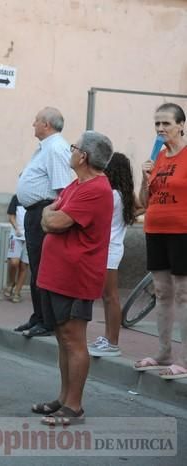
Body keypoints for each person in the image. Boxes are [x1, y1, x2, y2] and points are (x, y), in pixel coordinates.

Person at [33, 131, 114, 426]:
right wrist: (49, 214)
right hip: (58, 275)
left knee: (74, 339)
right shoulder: (75, 184)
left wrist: (49, 215)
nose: (71, 150)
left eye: (75, 147)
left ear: (84, 157)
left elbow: (55, 220)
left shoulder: (96, 189)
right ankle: (64, 398)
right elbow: (50, 216)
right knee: (62, 338)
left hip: (76, 277)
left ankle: (74, 407)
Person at [134, 103, 187, 379]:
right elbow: (143, 202)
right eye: (157, 124)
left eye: (166, 123)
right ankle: (164, 352)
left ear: (181, 125)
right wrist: (145, 179)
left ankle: (184, 358)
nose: (160, 129)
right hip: (155, 229)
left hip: (182, 231)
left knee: (183, 293)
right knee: (162, 292)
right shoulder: (157, 158)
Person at [15, 107, 74, 338]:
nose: (33, 124)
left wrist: (51, 218)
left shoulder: (56, 148)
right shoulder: (46, 147)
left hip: (44, 212)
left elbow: (62, 189)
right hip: (35, 212)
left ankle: (48, 321)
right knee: (36, 267)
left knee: (42, 268)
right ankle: (38, 317)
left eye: (36, 120)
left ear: (47, 124)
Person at [88, 153, 135, 357]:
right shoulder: (124, 195)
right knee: (108, 296)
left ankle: (113, 341)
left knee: (110, 296)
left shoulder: (112, 195)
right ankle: (108, 338)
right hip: (113, 247)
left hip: (109, 248)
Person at [4, 195, 28, 303]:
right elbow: (11, 215)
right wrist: (16, 227)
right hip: (16, 235)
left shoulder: (37, 199)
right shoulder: (16, 197)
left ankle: (17, 291)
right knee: (14, 262)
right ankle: (11, 282)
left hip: (30, 236)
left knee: (24, 265)